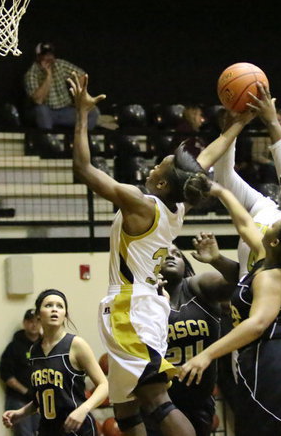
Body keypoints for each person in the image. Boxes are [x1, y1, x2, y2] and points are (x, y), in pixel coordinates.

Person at [69, 72, 207, 436]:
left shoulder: (141, 203)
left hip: (129, 307)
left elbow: (83, 169)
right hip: (148, 308)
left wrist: (82, 114)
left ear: (162, 183)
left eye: (162, 164)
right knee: (126, 407)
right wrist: (235, 127)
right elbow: (203, 163)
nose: (157, 161)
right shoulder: (177, 209)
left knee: (156, 400)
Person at [196, 82, 281, 435]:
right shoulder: (266, 210)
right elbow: (225, 178)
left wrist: (274, 125)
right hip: (253, 338)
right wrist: (234, 125)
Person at [181, 178, 281, 436]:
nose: (272, 222)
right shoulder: (268, 259)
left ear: (276, 241)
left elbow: (257, 324)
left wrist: (207, 354)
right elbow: (245, 224)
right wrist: (220, 190)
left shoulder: (271, 276)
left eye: (276, 224)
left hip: (271, 357)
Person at [145, 245, 230, 436]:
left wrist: (217, 259)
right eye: (164, 255)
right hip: (158, 401)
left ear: (186, 265)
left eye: (177, 254)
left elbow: (235, 283)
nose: (170, 257)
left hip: (198, 401)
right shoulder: (144, 299)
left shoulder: (198, 286)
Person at [2, 289, 108, 435]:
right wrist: (21, 413)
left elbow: (104, 385)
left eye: (59, 306)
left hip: (76, 428)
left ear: (65, 314)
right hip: (48, 428)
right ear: (38, 314)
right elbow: (43, 397)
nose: (54, 309)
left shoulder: (76, 345)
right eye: (49, 305)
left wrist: (83, 409)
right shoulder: (34, 351)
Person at [24, 42, 99, 130]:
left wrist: (79, 96)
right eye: (45, 55)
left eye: (50, 54)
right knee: (41, 110)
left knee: (93, 111)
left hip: (65, 110)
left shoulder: (59, 64)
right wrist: (48, 76)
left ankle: (81, 139)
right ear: (38, 57)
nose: (49, 58)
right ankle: (50, 141)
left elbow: (82, 76)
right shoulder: (31, 74)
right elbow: (38, 100)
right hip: (47, 112)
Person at [0, 308, 41, 436]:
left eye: (37, 321)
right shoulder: (14, 347)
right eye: (30, 321)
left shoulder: (46, 345)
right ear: (24, 323)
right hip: (19, 400)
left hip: (42, 399)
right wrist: (26, 392)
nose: (34, 325)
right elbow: (6, 374)